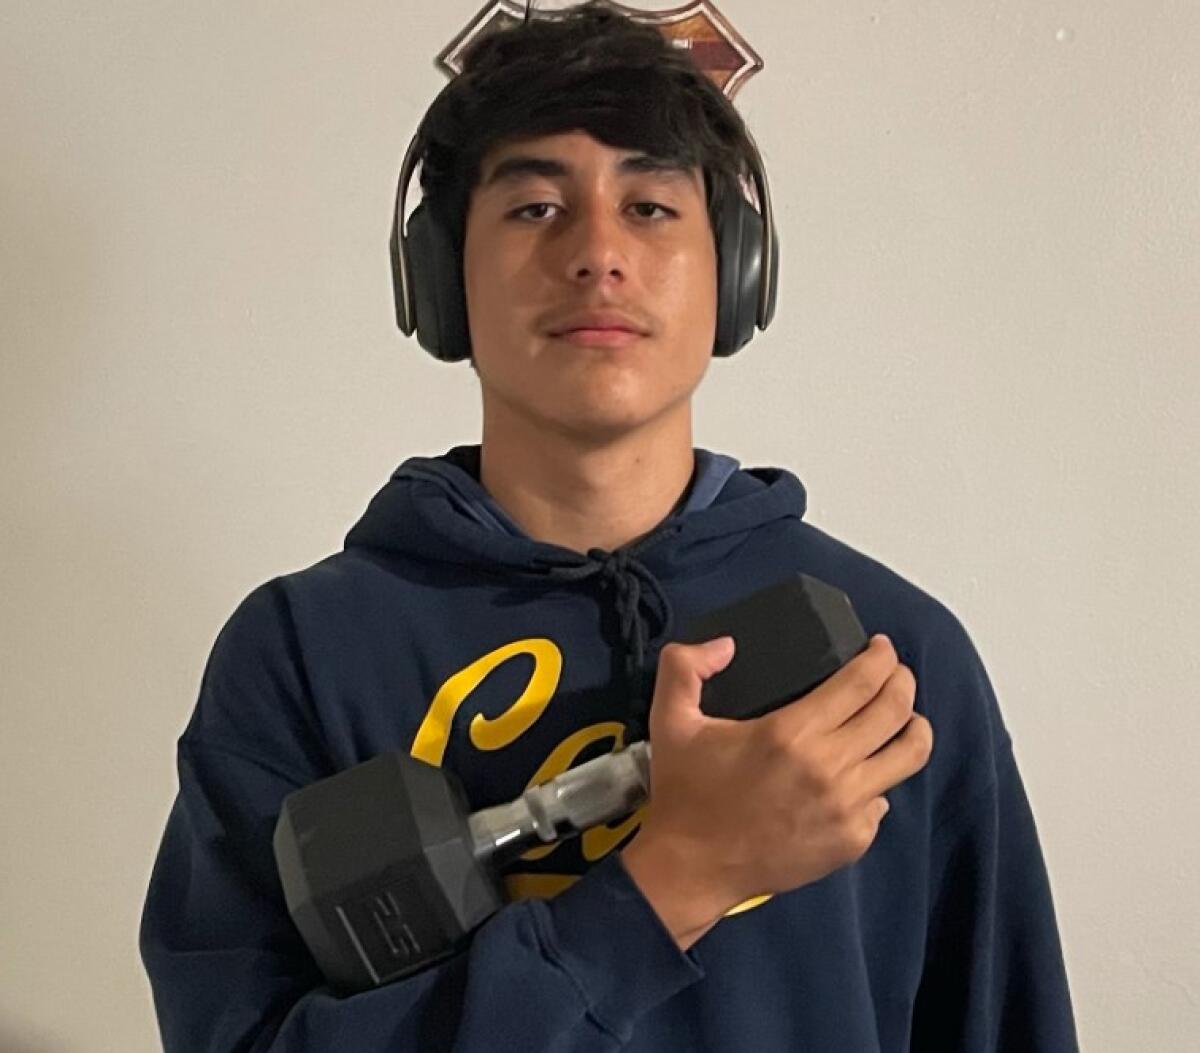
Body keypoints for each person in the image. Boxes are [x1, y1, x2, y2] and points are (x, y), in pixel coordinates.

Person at [139, 3, 1080, 1050]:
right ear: (440, 277)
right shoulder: (303, 656)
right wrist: (676, 878)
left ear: (735, 271)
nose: (597, 253)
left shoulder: (890, 658)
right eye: (536, 208)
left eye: (650, 207)